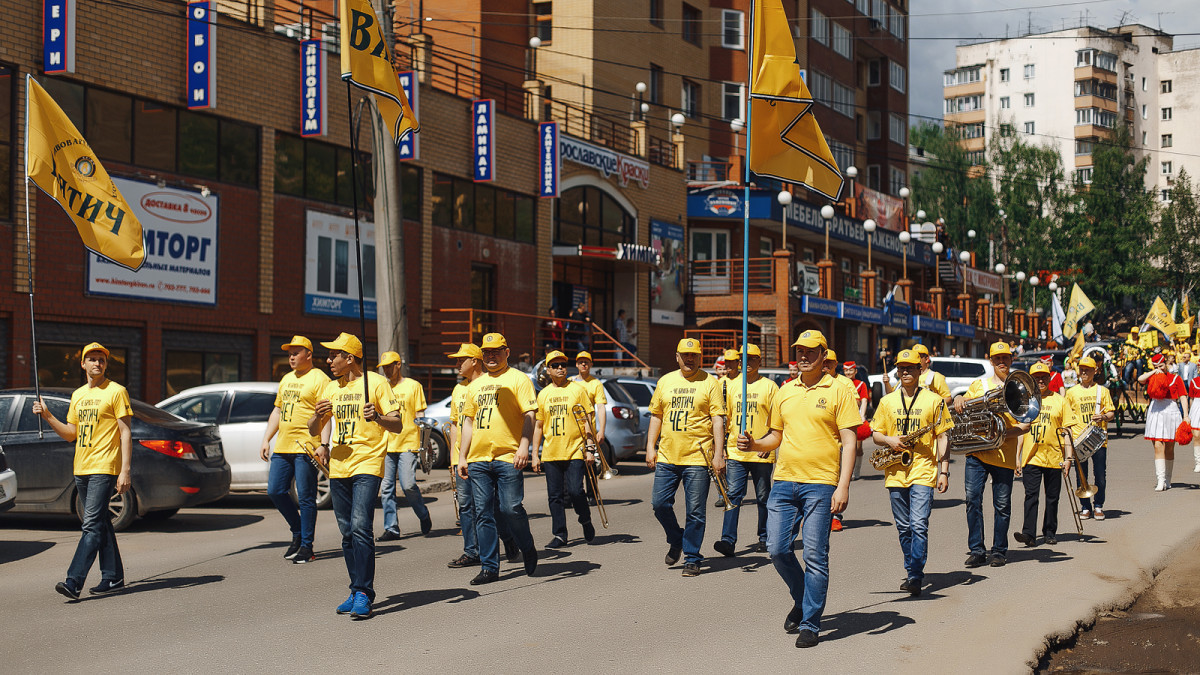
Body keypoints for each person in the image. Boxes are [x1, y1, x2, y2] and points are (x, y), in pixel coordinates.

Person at [737, 330, 859, 648]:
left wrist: (843, 486)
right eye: (799, 351)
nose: (803, 356)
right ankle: (803, 598)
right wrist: (753, 444)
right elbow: (774, 437)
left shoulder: (839, 390)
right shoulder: (785, 391)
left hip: (821, 484)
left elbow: (849, 441)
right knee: (777, 550)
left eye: (809, 351)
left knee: (816, 555)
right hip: (785, 481)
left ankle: (810, 623)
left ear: (822, 354)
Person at [307, 332, 404, 619]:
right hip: (338, 466)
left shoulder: (375, 383)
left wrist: (377, 417)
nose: (328, 360)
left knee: (361, 526)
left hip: (368, 463)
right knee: (347, 531)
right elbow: (314, 428)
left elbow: (397, 424)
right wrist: (316, 415)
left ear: (350, 358)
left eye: (334, 355)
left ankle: (364, 592)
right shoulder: (330, 387)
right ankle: (354, 588)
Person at [35, 342, 132, 600]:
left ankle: (73, 581)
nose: (97, 363)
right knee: (100, 522)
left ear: (106, 364)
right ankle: (113, 577)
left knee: (90, 525)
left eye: (101, 359)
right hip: (82, 466)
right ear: (83, 363)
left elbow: (125, 432)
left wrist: (125, 471)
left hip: (105, 465)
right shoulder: (77, 395)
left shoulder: (116, 391)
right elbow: (71, 434)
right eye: (92, 359)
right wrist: (47, 416)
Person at [458, 333, 540, 584]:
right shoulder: (474, 385)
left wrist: (524, 446)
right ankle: (490, 568)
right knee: (482, 513)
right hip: (479, 459)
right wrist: (462, 457)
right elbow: (469, 421)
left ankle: (527, 546)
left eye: (496, 351)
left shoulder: (518, 379)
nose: (491, 356)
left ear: (507, 352)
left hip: (508, 456)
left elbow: (530, 415)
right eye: (486, 352)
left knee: (510, 508)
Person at [870, 349, 953, 597]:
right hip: (895, 470)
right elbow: (875, 434)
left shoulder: (934, 400)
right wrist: (890, 440)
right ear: (897, 370)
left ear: (920, 370)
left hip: (923, 470)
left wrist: (944, 471)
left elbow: (944, 436)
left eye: (911, 367)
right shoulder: (887, 402)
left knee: (918, 524)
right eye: (901, 367)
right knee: (904, 526)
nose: (906, 371)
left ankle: (915, 574)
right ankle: (911, 569)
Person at [646, 338, 726, 577]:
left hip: (698, 458)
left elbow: (717, 420)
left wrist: (719, 455)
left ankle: (692, 557)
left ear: (700, 358)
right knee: (659, 504)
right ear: (677, 356)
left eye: (694, 355)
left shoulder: (710, 383)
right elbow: (656, 416)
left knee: (695, 511)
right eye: (685, 355)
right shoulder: (665, 381)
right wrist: (650, 446)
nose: (689, 359)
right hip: (668, 456)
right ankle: (676, 539)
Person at [954, 341, 1032, 568]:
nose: (1001, 362)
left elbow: (1025, 426)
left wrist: (999, 434)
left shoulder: (1018, 388)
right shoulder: (979, 384)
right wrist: (959, 399)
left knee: (1002, 505)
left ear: (1011, 360)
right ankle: (977, 550)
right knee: (972, 501)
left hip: (1003, 454)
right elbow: (965, 406)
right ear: (991, 361)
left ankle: (999, 551)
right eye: (997, 359)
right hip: (977, 453)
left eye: (1005, 358)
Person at [445, 343, 519, 569]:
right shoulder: (459, 389)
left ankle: (508, 537)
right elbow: (457, 425)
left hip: (486, 456)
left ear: (474, 361)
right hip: (465, 458)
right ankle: (472, 551)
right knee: (466, 506)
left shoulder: (490, 384)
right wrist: (454, 457)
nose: (457, 364)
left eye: (461, 360)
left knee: (492, 507)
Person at [260, 336, 330, 564]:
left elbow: (326, 415)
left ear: (308, 354)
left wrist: (324, 444)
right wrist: (266, 439)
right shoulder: (286, 379)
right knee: (275, 491)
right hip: (283, 445)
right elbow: (277, 411)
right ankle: (298, 531)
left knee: (306, 497)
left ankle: (306, 546)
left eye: (296, 352)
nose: (290, 356)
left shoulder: (319, 378)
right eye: (289, 353)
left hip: (306, 447)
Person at [714, 343, 778, 557]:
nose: (746, 362)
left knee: (763, 496)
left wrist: (767, 443)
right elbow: (726, 420)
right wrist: (721, 448)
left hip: (761, 451)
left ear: (760, 361)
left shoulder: (770, 387)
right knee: (733, 495)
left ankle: (764, 537)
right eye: (743, 358)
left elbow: (778, 420)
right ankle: (728, 540)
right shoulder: (732, 386)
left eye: (751, 358)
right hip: (736, 451)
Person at [531, 350, 596, 548]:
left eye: (562, 365)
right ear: (548, 370)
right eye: (555, 365)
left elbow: (588, 421)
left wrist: (590, 448)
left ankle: (585, 519)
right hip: (551, 452)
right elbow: (539, 426)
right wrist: (535, 454)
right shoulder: (543, 394)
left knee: (576, 491)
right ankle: (560, 534)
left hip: (574, 450)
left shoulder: (577, 390)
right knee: (555, 496)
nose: (560, 368)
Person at [1014, 362, 1078, 547]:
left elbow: (1067, 431)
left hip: (1054, 457)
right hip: (1031, 457)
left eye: (1043, 377)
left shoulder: (1060, 401)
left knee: (1052, 497)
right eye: (1036, 377)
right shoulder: (1025, 401)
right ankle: (1029, 534)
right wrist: (1017, 457)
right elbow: (1019, 431)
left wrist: (1068, 458)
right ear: (1030, 380)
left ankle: (1049, 531)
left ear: (1049, 379)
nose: (1040, 380)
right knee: (1031, 496)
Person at [377, 351, 431, 542]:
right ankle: (391, 528)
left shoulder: (413, 386)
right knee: (387, 488)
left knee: (408, 485)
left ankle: (423, 514)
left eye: (389, 366)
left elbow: (420, 415)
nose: (386, 370)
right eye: (384, 367)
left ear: (398, 365)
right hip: (387, 443)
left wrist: (425, 443)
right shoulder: (381, 387)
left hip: (408, 441)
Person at [1065, 357, 1116, 519]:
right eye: (1082, 369)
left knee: (1100, 474)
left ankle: (1099, 505)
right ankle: (1085, 506)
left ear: (1095, 371)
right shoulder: (1071, 392)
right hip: (1079, 440)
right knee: (1081, 475)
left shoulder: (1103, 391)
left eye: (1088, 369)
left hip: (1098, 439)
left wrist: (1103, 417)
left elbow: (1111, 413)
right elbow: (1067, 416)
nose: (1084, 372)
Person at [823, 349, 864, 528]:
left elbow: (856, 403)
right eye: (824, 362)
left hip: (839, 436)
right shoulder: (813, 380)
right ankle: (818, 515)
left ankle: (836, 516)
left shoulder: (845, 382)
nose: (826, 365)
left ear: (835, 364)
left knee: (837, 478)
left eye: (830, 362)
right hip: (819, 437)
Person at [1138, 353, 1189, 491]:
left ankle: (1168, 477)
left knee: (1169, 447)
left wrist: (1186, 415)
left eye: (1160, 365)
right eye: (1156, 366)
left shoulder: (1175, 378)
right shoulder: (1153, 377)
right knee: (1157, 445)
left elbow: (1183, 397)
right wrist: (1154, 371)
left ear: (1166, 363)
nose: (1159, 368)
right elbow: (1140, 379)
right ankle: (1160, 480)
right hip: (1156, 410)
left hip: (1171, 410)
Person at [573, 351, 607, 449]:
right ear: (576, 365)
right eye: (580, 362)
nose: (583, 364)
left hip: (588, 430)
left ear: (591, 364)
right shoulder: (570, 382)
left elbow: (601, 407)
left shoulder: (596, 383)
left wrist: (601, 430)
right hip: (572, 429)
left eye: (586, 362)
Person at [843, 361, 870, 480]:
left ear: (855, 371)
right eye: (846, 371)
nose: (848, 373)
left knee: (858, 447)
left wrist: (862, 416)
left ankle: (856, 470)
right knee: (843, 447)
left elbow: (864, 400)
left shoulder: (861, 384)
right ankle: (845, 472)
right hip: (843, 417)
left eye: (851, 370)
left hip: (856, 417)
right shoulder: (841, 383)